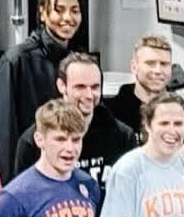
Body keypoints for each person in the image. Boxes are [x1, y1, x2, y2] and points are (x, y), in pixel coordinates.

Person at [0, 0, 84, 178]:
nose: (68, 18)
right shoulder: (16, 60)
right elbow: (3, 135)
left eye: (74, 11)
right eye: (59, 10)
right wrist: (11, 186)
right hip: (29, 175)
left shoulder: (77, 60)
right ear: (42, 13)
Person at [13, 50, 136, 189]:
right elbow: (23, 193)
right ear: (61, 86)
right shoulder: (35, 140)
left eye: (95, 87)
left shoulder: (123, 136)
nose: (89, 95)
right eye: (80, 87)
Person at [104, 34, 179, 135]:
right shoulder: (110, 114)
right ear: (134, 67)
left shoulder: (180, 112)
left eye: (164, 64)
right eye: (150, 63)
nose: (158, 70)